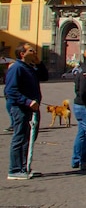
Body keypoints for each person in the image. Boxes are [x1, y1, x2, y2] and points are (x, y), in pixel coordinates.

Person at [5, 42, 42, 179]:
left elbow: (44, 76)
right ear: (22, 54)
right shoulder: (16, 68)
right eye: (31, 50)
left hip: (32, 108)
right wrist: (27, 101)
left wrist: (39, 63)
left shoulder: (29, 67)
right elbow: (10, 91)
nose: (34, 52)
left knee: (29, 138)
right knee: (19, 138)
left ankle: (24, 167)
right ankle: (14, 170)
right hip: (20, 108)